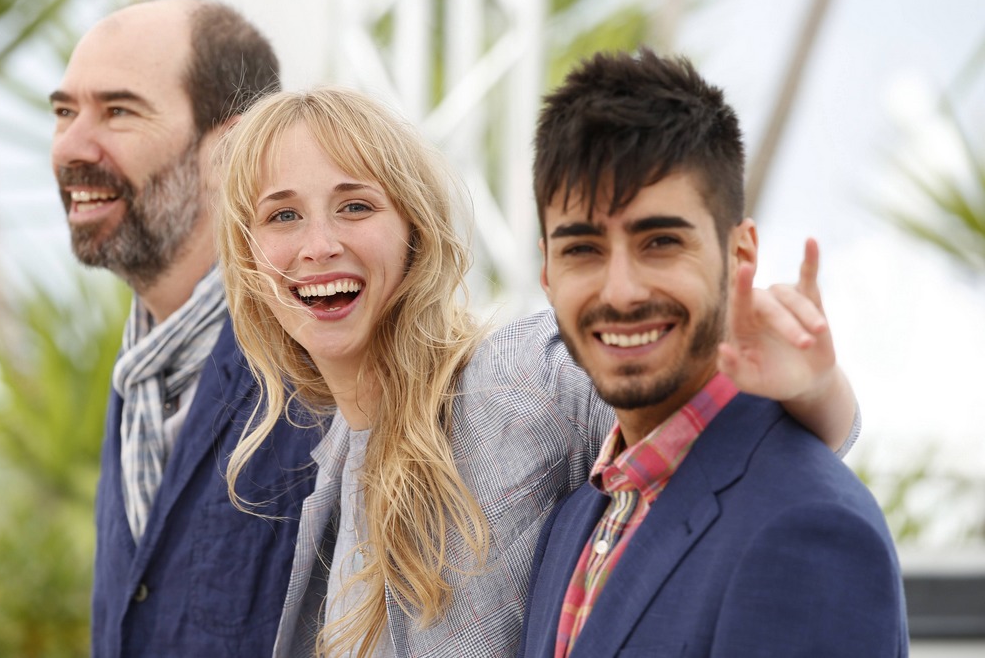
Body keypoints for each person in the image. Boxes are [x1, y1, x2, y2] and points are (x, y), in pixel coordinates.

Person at [216, 84, 861, 657]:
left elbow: (746, 433)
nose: (319, 244)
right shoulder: (333, 458)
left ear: (414, 229)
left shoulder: (514, 379)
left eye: (355, 206)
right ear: (248, 254)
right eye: (283, 215)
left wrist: (815, 386)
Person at [517, 48, 907, 657]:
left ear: (741, 254)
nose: (619, 291)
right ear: (546, 269)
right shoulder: (572, 525)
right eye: (582, 249)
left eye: (661, 241)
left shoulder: (809, 527)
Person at [49, 0, 320, 657]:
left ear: (230, 148)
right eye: (63, 112)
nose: (72, 147)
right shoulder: (138, 374)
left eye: (118, 111)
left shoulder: (323, 376)